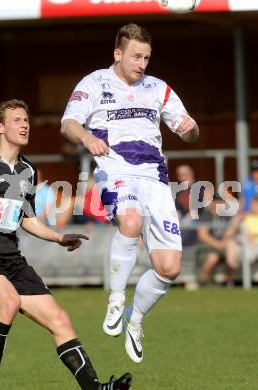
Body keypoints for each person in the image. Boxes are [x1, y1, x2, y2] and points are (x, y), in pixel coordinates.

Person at [0, 99, 132, 390]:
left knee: (60, 320)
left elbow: (26, 219)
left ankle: (95, 388)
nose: (24, 125)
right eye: (17, 120)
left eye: (26, 120)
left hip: (11, 259)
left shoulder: (29, 171)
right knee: (8, 302)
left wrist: (59, 237)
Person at [60, 23, 199, 364]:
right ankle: (116, 299)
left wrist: (190, 130)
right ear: (118, 54)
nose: (142, 63)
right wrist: (86, 138)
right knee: (131, 221)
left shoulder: (158, 88)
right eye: (136, 56)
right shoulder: (94, 83)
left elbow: (189, 129)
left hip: (154, 177)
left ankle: (134, 321)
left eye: (147, 57)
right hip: (115, 169)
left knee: (169, 268)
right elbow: (68, 123)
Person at [197, 192, 237, 286]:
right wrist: (219, 245)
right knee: (213, 257)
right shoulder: (206, 216)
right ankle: (203, 281)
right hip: (206, 247)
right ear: (211, 203)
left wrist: (234, 225)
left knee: (231, 248)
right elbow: (202, 236)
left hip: (223, 246)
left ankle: (228, 281)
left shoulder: (225, 216)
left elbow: (231, 232)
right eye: (215, 202)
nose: (218, 205)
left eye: (220, 203)